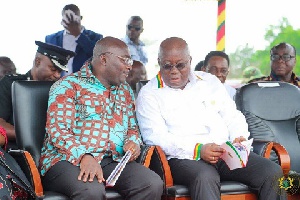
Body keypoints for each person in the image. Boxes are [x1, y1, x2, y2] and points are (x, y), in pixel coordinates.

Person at [136, 37, 286, 200]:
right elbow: (155, 138)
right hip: (184, 158)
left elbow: (232, 115)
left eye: (180, 65)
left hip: (224, 151)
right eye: (167, 65)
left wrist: (237, 138)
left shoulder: (209, 81)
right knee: (205, 177)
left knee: (271, 172)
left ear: (190, 61)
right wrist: (199, 149)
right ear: (159, 62)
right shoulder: (149, 94)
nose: (174, 71)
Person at [39, 36, 163, 200]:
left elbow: (133, 128)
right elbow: (58, 130)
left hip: (111, 160)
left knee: (151, 183)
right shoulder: (68, 86)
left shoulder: (124, 90)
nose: (129, 67)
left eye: (130, 61)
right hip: (65, 160)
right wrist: (84, 156)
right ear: (104, 59)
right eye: (124, 60)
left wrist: (133, 142)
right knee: (91, 190)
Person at [0, 41, 75, 149]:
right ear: (37, 61)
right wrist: (32, 135)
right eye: (53, 69)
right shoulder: (10, 84)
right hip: (17, 149)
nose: (57, 75)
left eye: (60, 71)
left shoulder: (60, 91)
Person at [45, 4, 103, 75]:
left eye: (73, 17)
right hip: (58, 83)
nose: (70, 20)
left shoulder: (95, 37)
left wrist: (78, 35)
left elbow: (97, 58)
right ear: (62, 20)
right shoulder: (51, 39)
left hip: (84, 83)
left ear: (80, 18)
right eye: (67, 17)